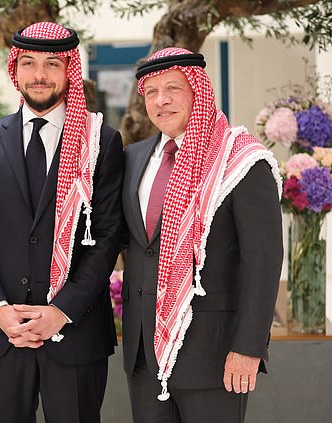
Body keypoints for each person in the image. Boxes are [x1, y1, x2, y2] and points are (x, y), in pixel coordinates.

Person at [0, 22, 125, 423]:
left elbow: (106, 239)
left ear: (70, 70)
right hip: (1, 333)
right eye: (28, 63)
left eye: (52, 64)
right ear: (15, 69)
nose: (39, 75)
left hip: (75, 333)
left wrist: (60, 312)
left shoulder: (100, 141)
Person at [121, 47, 283, 422]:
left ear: (198, 91)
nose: (161, 100)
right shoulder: (134, 157)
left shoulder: (241, 160)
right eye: (151, 92)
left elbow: (263, 261)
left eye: (173, 88)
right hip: (145, 356)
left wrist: (249, 347)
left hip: (215, 356)